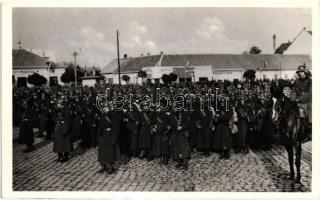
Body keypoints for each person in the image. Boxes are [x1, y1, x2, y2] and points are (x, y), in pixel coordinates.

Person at [97, 107, 121, 174]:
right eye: (103, 107)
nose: (104, 108)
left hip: (110, 136)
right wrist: (99, 136)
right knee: (102, 153)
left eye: (106, 107)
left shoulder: (113, 115)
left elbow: (116, 128)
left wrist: (114, 139)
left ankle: (111, 167)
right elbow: (99, 127)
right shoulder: (102, 115)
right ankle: (103, 166)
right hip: (103, 136)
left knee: (111, 153)